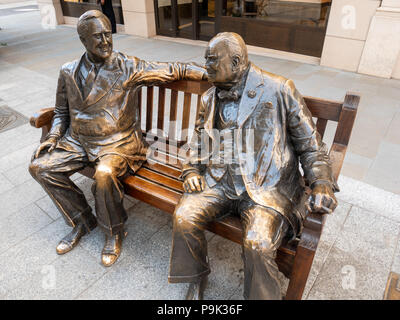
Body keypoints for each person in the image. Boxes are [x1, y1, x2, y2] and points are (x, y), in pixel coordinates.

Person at [168, 32, 338, 299]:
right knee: (183, 217)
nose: (206, 67)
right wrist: (190, 170)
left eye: (212, 61)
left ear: (236, 63)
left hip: (265, 188)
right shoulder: (210, 97)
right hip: (219, 181)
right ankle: (195, 276)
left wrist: (322, 184)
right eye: (206, 61)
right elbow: (200, 143)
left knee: (257, 244)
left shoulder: (280, 89)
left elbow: (311, 145)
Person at [29, 10, 205, 267]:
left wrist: (212, 72)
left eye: (108, 35)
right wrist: (54, 135)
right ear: (83, 40)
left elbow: (171, 70)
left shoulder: (127, 66)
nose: (105, 42)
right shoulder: (67, 71)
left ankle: (114, 231)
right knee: (40, 167)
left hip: (119, 143)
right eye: (97, 37)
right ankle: (83, 219)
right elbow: (62, 111)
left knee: (103, 173)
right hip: (77, 141)